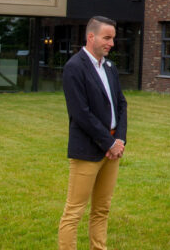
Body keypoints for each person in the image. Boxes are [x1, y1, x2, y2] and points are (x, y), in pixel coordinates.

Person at [58, 16, 127, 250]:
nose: (111, 43)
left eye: (113, 38)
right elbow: (81, 113)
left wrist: (119, 139)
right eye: (107, 38)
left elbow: (121, 104)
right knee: (74, 211)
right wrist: (109, 143)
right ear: (91, 37)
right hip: (88, 150)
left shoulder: (110, 67)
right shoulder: (74, 67)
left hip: (112, 150)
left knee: (102, 209)